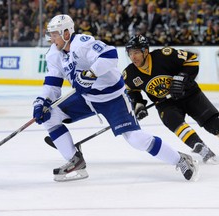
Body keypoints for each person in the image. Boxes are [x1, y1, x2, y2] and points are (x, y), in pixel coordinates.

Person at [32, 14, 198, 182]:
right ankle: (75, 162)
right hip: (86, 97)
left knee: (135, 139)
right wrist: (41, 101)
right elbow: (52, 84)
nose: (51, 39)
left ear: (66, 33)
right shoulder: (54, 54)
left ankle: (181, 160)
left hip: (113, 98)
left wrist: (91, 73)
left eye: (54, 34)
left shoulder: (82, 43)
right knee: (49, 116)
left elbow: (110, 55)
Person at [122, 34, 218, 164]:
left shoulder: (164, 55)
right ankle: (199, 147)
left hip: (189, 93)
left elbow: (191, 60)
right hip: (165, 103)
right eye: (130, 53)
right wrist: (138, 104)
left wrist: (181, 79)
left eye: (136, 52)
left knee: (212, 122)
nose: (133, 57)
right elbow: (131, 90)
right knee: (173, 120)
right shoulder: (130, 74)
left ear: (145, 51)